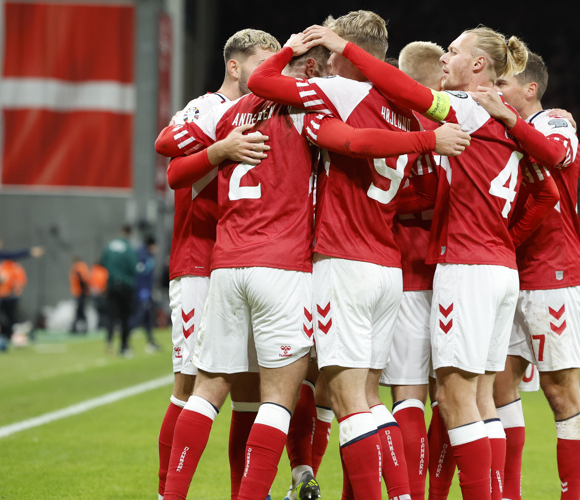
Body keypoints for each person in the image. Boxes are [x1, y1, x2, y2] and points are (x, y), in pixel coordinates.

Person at [160, 29, 468, 500]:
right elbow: (355, 141)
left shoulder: (229, 114)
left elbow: (173, 166)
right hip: (294, 266)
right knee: (308, 397)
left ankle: (173, 494)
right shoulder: (310, 112)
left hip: (227, 263)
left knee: (204, 392)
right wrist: (425, 141)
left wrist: (219, 151)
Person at [302, 24, 563, 499]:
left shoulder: (464, 107)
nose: (446, 57)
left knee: (453, 398)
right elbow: (547, 186)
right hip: (500, 268)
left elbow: (406, 90)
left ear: (478, 64)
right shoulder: (504, 119)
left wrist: (345, 48)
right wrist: (506, 236)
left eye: (455, 50)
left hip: (462, 266)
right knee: (481, 399)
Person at [249, 12, 469, 499]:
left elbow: (260, 82)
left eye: (331, 54)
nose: (326, 63)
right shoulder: (404, 107)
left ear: (348, 54)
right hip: (386, 266)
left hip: (343, 260)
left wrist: (290, 49)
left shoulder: (342, 92)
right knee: (370, 398)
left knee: (348, 400)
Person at [154, 28, 280, 500]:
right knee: (189, 386)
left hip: (244, 263)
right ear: (234, 65)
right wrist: (219, 148)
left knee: (249, 392)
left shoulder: (266, 112)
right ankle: (167, 493)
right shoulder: (208, 108)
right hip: (199, 263)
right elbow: (170, 158)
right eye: (262, 64)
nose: (269, 74)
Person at [473, 52, 580, 500]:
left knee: (560, 390)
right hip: (509, 273)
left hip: (554, 272)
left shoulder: (554, 124)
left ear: (530, 89)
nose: (496, 90)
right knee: (499, 385)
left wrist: (507, 117)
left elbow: (556, 155)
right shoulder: (502, 130)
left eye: (504, 84)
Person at [382, 40, 446, 500]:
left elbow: (415, 194)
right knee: (455, 397)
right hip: (452, 274)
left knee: (403, 395)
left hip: (403, 270)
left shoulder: (400, 125)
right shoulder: (462, 124)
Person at [101, 224, 138, 357]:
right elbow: (134, 267)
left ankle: (109, 341)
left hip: (111, 284)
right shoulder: (128, 248)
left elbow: (103, 263)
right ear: (129, 233)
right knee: (125, 317)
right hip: (125, 285)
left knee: (111, 315)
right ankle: (124, 346)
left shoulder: (110, 246)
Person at [132, 236, 160, 352]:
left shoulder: (145, 255)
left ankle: (151, 342)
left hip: (145, 290)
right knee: (139, 315)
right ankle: (125, 342)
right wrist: (143, 291)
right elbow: (140, 275)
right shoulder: (143, 256)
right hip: (142, 291)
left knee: (148, 316)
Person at [0, 259, 26, 350]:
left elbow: (19, 282)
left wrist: (13, 290)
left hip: (10, 297)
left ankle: (15, 337)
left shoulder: (15, 268)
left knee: (12, 319)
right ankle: (3, 336)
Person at [69, 256, 90, 334]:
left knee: (79, 310)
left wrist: (82, 290)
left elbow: (81, 279)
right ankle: (79, 327)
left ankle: (76, 327)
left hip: (80, 292)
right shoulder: (83, 266)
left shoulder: (77, 267)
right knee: (80, 311)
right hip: (81, 292)